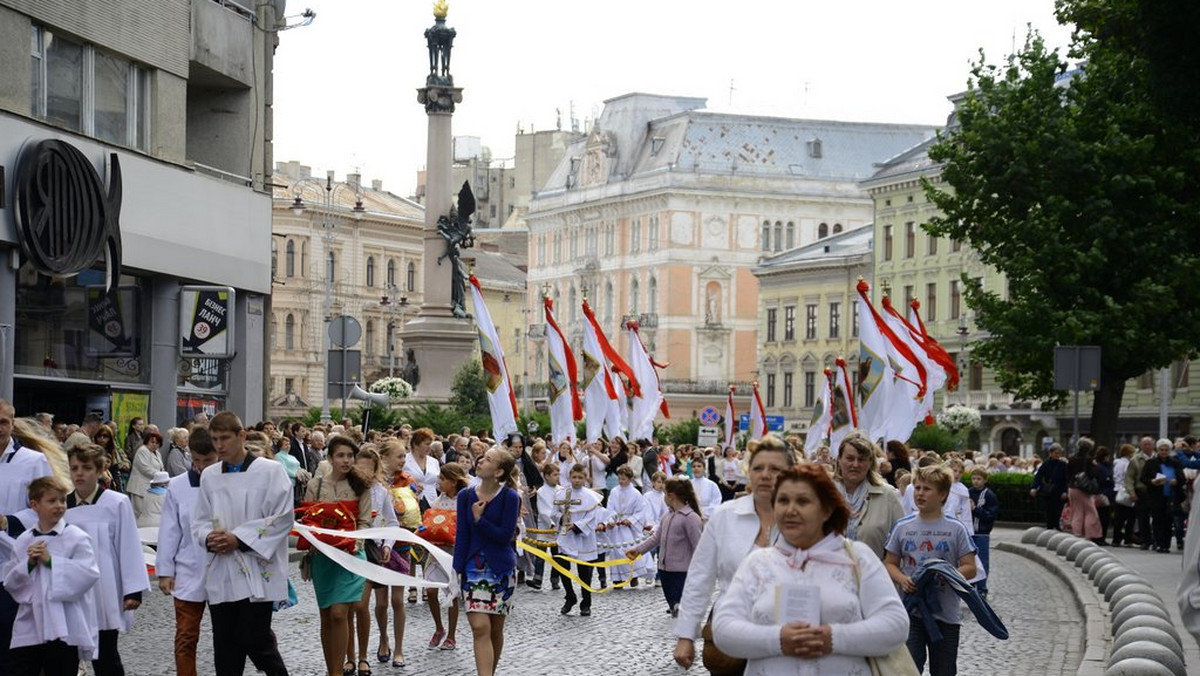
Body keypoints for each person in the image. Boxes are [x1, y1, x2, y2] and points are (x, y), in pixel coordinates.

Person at [713, 464, 909, 674]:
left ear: (826, 510)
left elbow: (895, 624)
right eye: (783, 501)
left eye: (803, 501)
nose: (790, 510)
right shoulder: (757, 563)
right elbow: (724, 629)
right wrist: (778, 640)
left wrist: (832, 638)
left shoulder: (858, 558)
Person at [24, 443, 149, 676]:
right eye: (74, 468)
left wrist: (132, 590)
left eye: (86, 468)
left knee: (106, 656)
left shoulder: (116, 502)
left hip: (104, 590)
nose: (79, 473)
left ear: (100, 469)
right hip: (71, 591)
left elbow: (128, 546)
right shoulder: (62, 507)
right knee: (64, 656)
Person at [673, 433, 794, 670]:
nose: (766, 475)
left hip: (788, 630)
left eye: (775, 469)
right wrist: (686, 636)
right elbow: (700, 577)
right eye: (758, 467)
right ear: (748, 471)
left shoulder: (806, 516)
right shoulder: (726, 515)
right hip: (731, 633)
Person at [192, 412, 292, 676]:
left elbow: (282, 518)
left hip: (256, 569)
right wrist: (208, 538)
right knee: (225, 647)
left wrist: (239, 539)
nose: (219, 445)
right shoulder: (210, 476)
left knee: (254, 639)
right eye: (214, 439)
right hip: (222, 569)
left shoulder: (271, 471)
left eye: (225, 438)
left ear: (241, 436)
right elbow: (199, 521)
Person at [2, 477, 101, 676]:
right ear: (34, 505)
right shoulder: (24, 540)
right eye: (52, 501)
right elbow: (11, 582)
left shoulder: (76, 537)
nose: (59, 506)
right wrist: (28, 565)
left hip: (64, 622)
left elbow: (88, 573)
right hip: (30, 624)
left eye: (62, 500)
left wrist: (51, 562)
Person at [885, 465, 977, 676]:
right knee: (908, 670)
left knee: (944, 670)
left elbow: (970, 567)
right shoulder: (902, 527)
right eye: (917, 488)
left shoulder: (956, 528)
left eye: (927, 489)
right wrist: (902, 579)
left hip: (946, 615)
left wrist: (949, 573)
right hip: (912, 612)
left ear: (942, 494)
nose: (919, 493)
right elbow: (889, 562)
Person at [300, 436, 373, 676]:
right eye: (341, 455)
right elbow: (307, 520)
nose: (346, 460)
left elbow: (364, 521)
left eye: (350, 456)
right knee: (326, 615)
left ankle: (338, 672)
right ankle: (332, 669)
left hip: (350, 555)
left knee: (340, 613)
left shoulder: (361, 486)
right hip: (322, 558)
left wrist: (354, 542)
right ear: (330, 458)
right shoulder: (316, 485)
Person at [155, 427, 220, 676]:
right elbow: (169, 531)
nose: (202, 466)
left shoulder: (226, 481)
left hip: (221, 570)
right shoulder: (178, 486)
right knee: (185, 636)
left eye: (208, 460)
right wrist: (165, 570)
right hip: (188, 569)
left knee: (227, 638)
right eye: (196, 460)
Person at [452, 448, 521, 676]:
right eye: (482, 458)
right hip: (473, 570)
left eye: (488, 459)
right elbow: (462, 535)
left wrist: (479, 520)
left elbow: (504, 536)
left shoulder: (511, 497)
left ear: (499, 471)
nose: (481, 461)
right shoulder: (465, 496)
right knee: (480, 627)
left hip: (501, 570)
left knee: (495, 629)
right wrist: (456, 571)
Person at [0, 399, 55, 668]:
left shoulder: (32, 461)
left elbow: (46, 508)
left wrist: (8, 521)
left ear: (12, 424)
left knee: (10, 637)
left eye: (3, 422)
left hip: (14, 563)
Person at [349, 447, 398, 673]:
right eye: (362, 467)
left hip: (372, 549)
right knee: (350, 606)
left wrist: (388, 544)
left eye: (371, 468)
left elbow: (392, 522)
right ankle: (352, 655)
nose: (366, 472)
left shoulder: (380, 491)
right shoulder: (347, 487)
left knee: (369, 604)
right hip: (348, 548)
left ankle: (377, 643)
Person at [626, 477, 703, 617]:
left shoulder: (690, 518)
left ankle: (684, 634)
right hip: (664, 570)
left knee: (681, 610)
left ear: (671, 496)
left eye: (664, 492)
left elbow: (699, 547)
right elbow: (656, 538)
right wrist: (638, 550)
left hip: (682, 572)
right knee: (674, 608)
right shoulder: (667, 515)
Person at [374, 439, 417, 668]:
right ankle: (383, 638)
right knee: (381, 602)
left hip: (401, 544)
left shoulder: (407, 480)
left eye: (404, 456)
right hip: (377, 545)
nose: (403, 460)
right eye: (399, 456)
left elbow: (414, 511)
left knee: (397, 600)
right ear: (384, 458)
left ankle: (399, 648)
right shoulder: (372, 482)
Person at [832, 432, 906, 560]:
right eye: (850, 458)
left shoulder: (888, 496)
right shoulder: (824, 495)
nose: (855, 464)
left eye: (861, 459)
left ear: (870, 462)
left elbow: (902, 543)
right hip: (829, 577)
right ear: (839, 459)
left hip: (873, 577)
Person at [422, 463, 467, 652]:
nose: (439, 482)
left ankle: (451, 636)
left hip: (453, 554)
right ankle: (439, 627)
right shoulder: (438, 501)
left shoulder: (463, 500)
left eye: (443, 478)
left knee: (452, 594)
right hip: (436, 552)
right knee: (431, 591)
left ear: (454, 481)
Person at [550, 463, 604, 616]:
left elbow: (592, 516)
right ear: (569, 477)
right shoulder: (562, 494)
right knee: (562, 566)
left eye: (580, 477)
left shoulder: (590, 497)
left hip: (583, 537)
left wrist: (578, 525)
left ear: (585, 478)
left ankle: (586, 603)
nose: (577, 480)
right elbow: (553, 512)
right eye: (574, 477)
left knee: (584, 572)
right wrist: (562, 518)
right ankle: (570, 596)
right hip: (566, 536)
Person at [602, 465, 652, 587]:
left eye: (624, 479)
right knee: (616, 551)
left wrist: (631, 520)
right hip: (617, 527)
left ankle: (633, 575)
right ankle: (618, 578)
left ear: (630, 479)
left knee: (628, 550)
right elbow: (610, 508)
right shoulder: (614, 491)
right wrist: (613, 519)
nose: (621, 481)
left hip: (629, 529)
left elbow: (640, 511)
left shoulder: (635, 493)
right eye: (620, 478)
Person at [1141, 438, 1184, 553]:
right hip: (1156, 496)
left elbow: (1182, 478)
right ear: (1158, 450)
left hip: (1171, 496)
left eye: (1166, 450)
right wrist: (1152, 481)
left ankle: (1166, 544)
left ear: (1169, 451)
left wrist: (1176, 481)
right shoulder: (1151, 463)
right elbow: (1143, 478)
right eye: (1161, 449)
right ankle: (1158, 543)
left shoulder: (1175, 462)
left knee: (1168, 521)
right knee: (1157, 520)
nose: (1164, 452)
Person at [529, 462, 564, 591]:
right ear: (547, 476)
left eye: (558, 474)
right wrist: (551, 523)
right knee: (541, 555)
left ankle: (555, 579)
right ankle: (537, 579)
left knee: (557, 556)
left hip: (558, 528)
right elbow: (543, 510)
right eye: (555, 475)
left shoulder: (561, 490)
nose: (557, 477)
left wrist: (561, 521)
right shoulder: (542, 491)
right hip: (544, 528)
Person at [968, 468, 999, 598]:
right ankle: (970, 585)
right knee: (969, 560)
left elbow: (991, 515)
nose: (976, 481)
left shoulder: (989, 495)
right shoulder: (967, 492)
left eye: (979, 479)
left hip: (982, 533)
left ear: (985, 480)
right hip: (969, 532)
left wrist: (976, 509)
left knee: (982, 561)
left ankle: (982, 588)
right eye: (974, 478)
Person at [1066, 438, 1104, 544]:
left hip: (1072, 488)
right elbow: (1092, 474)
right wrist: (1095, 467)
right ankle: (1090, 534)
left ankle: (1076, 534)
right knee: (1091, 512)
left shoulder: (1071, 458)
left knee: (1077, 511)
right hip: (1084, 489)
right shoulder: (1089, 460)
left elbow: (1067, 474)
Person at [1126, 436, 1157, 549]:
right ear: (1141, 446)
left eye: (1149, 444)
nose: (1147, 446)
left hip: (1156, 491)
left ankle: (1156, 540)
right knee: (1143, 518)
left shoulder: (1158, 457)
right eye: (1145, 444)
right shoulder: (1135, 460)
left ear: (1153, 445)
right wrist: (1131, 492)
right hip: (1141, 491)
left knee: (1156, 517)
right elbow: (1129, 478)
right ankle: (1145, 540)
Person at [127, 430, 164, 518]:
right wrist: (161, 476)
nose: (154, 444)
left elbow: (161, 467)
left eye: (157, 443)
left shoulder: (157, 453)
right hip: (139, 488)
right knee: (139, 514)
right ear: (147, 441)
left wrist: (163, 475)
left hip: (151, 488)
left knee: (148, 514)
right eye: (152, 442)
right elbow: (145, 469)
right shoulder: (142, 450)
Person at [1030, 443, 1069, 530]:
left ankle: (1057, 526)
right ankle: (1050, 526)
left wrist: (1065, 491)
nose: (1057, 455)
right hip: (1049, 492)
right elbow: (1038, 477)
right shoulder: (1046, 464)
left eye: (1059, 453)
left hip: (1059, 491)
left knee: (1058, 510)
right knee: (1049, 510)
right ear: (1050, 453)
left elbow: (1067, 479)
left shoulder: (1063, 465)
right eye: (1056, 453)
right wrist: (1034, 487)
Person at [404, 428, 441, 508]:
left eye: (430, 444)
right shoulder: (404, 460)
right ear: (415, 444)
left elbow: (438, 484)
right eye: (427, 444)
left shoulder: (434, 462)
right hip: (410, 502)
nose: (429, 447)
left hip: (432, 503)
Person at [1112, 444, 1137, 547]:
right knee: (1130, 516)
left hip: (1117, 490)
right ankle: (1127, 538)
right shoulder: (1128, 464)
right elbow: (1129, 477)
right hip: (1125, 491)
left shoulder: (1117, 463)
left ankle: (1116, 539)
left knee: (1119, 517)